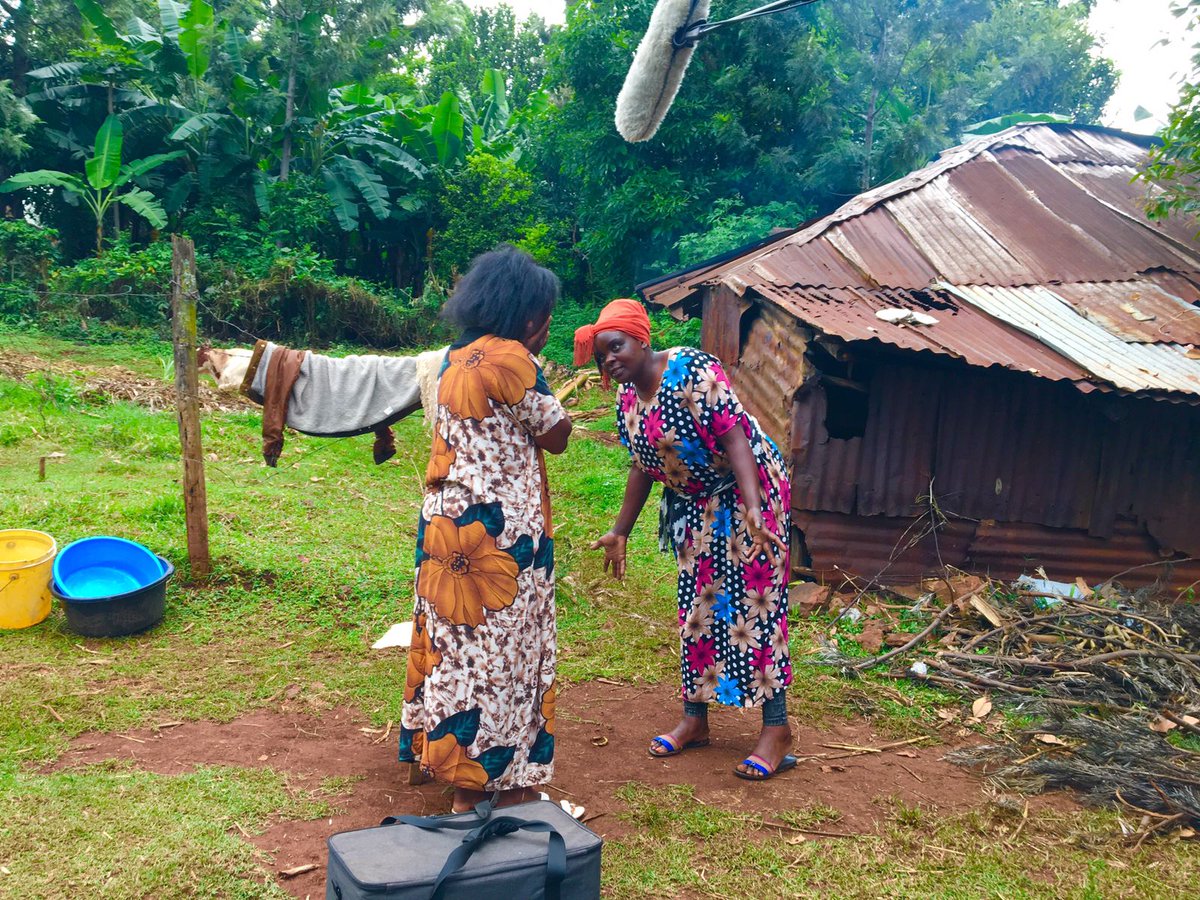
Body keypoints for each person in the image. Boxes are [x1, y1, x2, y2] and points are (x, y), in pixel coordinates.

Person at [578, 299, 796, 780]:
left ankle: (775, 730)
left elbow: (736, 435)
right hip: (695, 505)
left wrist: (755, 506)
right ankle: (695, 720)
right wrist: (620, 530)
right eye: (601, 356)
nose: (609, 359)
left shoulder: (691, 369)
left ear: (642, 339)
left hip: (747, 494)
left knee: (757, 604)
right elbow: (642, 464)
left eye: (616, 347)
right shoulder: (628, 399)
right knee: (696, 608)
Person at [399, 246, 572, 812]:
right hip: (497, 537)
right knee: (502, 654)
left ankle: (441, 755)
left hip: (446, 527)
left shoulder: (455, 358)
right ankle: (481, 784)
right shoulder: (515, 359)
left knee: (453, 647)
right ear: (528, 317)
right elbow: (556, 433)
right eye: (545, 317)